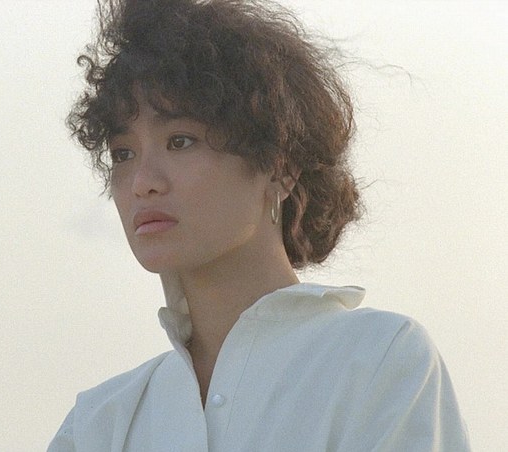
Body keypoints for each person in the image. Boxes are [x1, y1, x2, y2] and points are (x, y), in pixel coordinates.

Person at [48, 0, 470, 450]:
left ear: (279, 168)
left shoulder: (378, 359)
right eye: (123, 154)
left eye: (180, 141)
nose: (142, 183)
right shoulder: (98, 424)